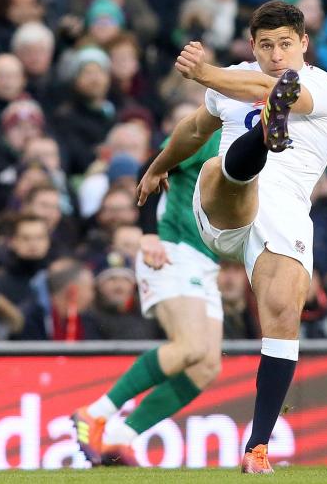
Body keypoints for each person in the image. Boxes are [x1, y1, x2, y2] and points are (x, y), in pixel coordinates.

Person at [135, 0, 327, 474]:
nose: (276, 55)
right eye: (266, 45)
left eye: (285, 45)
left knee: (283, 316)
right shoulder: (232, 79)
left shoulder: (323, 87)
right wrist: (157, 167)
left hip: (287, 213)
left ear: (304, 44)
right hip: (223, 206)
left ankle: (258, 447)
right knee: (225, 172)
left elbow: (262, 86)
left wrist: (203, 72)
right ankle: (261, 142)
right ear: (252, 45)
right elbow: (193, 129)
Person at [72, 128, 222, 466]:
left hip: (205, 260)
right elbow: (152, 168)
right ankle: (94, 413)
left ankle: (117, 438)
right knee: (191, 347)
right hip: (171, 247)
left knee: (206, 366)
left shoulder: (260, 144)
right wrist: (148, 233)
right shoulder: (211, 130)